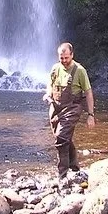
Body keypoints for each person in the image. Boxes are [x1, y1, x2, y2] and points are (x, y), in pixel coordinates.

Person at [43, 42, 95, 178]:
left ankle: (62, 174)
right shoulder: (55, 68)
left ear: (72, 55)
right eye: (61, 58)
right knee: (63, 137)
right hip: (55, 107)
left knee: (61, 137)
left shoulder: (80, 71)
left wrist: (91, 115)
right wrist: (48, 94)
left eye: (66, 57)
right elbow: (50, 84)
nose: (64, 61)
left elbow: (88, 92)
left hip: (73, 107)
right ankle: (75, 166)